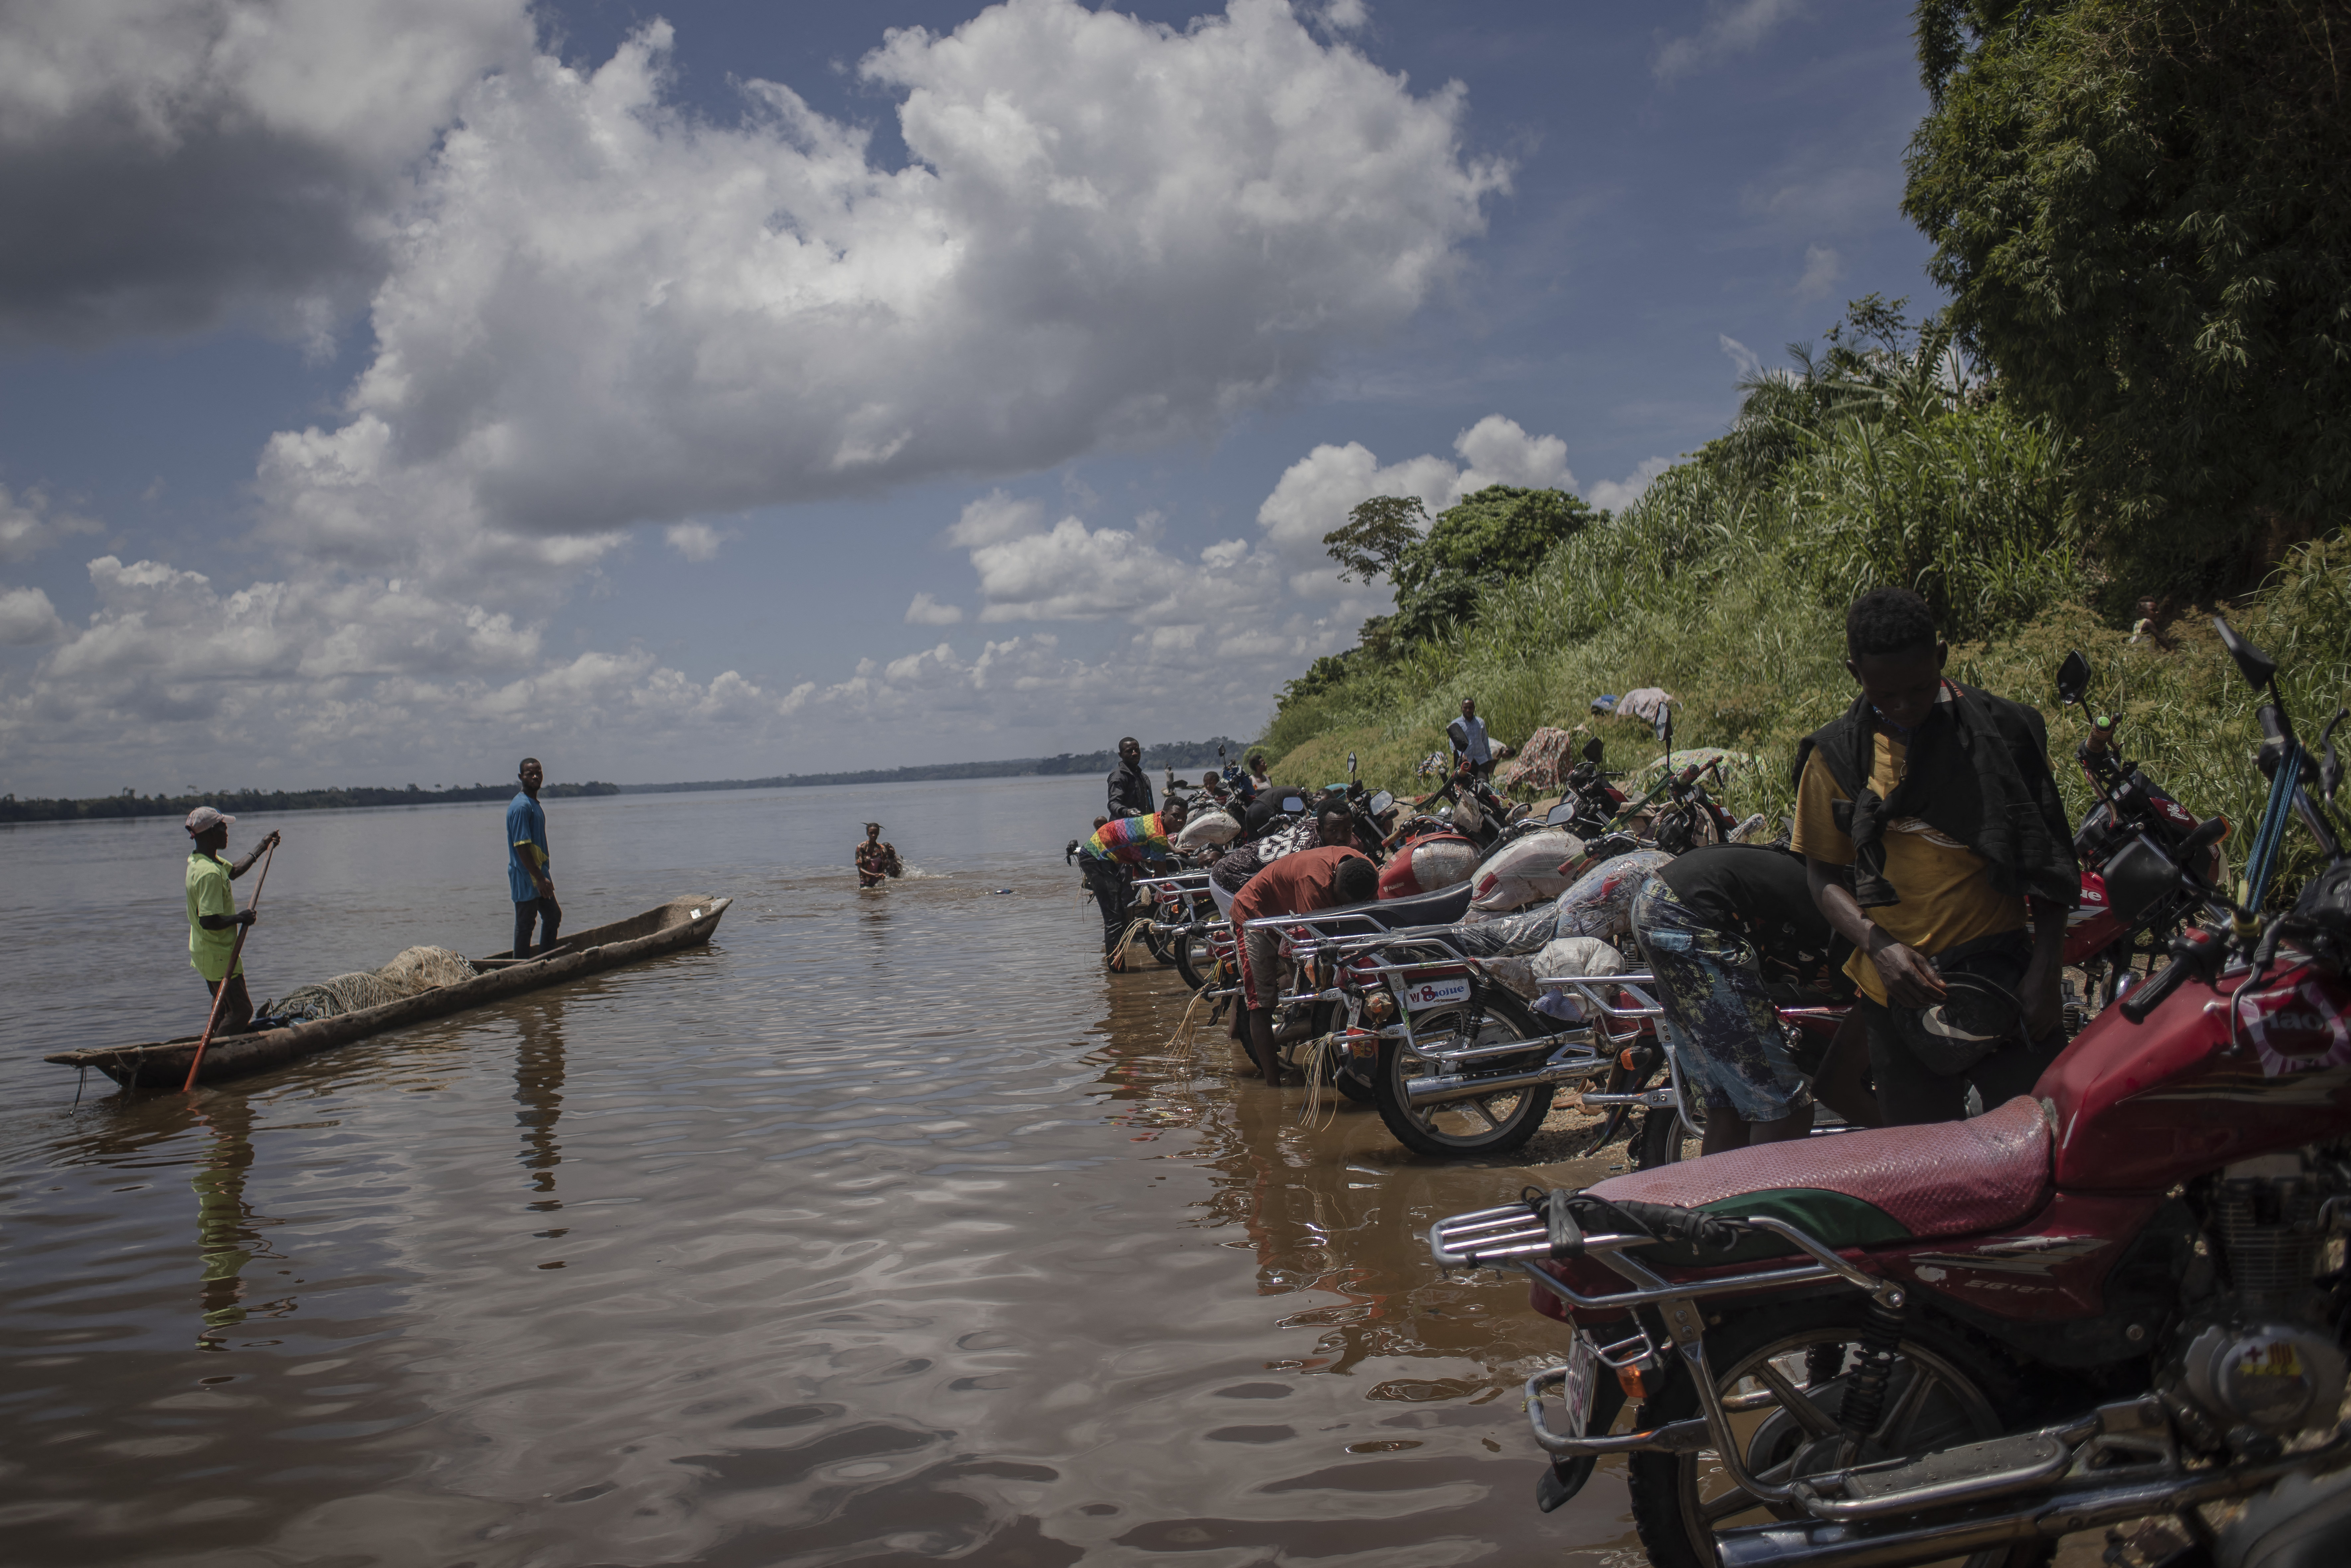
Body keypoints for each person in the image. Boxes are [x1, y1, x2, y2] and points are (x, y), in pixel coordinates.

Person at [1794, 586, 2078, 1126]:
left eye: (1920, 688)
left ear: (1941, 657)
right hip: (1898, 991)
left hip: (2003, 979)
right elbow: (1822, 878)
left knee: (2041, 1136)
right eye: (1885, 694)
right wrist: (1880, 948)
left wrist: (2046, 970)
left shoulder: (2003, 732)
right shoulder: (1835, 757)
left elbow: (2046, 861)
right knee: (1928, 1155)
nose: (1904, 706)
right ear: (1855, 673)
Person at [1631, 843, 1876, 1156]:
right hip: (1692, 913)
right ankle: (1762, 1190)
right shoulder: (1853, 914)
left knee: (1729, 1107)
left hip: (1659, 904)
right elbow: (1863, 1006)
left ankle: (1722, 1190)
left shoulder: (1835, 885)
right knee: (1783, 1109)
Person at [1228, 844, 1379, 1085]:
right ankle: (1273, 1087)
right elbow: (1318, 942)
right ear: (1333, 884)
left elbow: (1370, 923)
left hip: (1290, 915)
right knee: (1261, 1003)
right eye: (1340, 902)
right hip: (1256, 917)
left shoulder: (1367, 872)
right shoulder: (1314, 881)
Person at [184, 807, 280, 1034]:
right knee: (241, 1011)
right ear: (211, 832)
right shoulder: (209, 873)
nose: (227, 833)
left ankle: (214, 1042)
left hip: (205, 951)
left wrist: (263, 845)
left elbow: (235, 870)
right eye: (223, 828)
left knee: (223, 1009)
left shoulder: (201, 861)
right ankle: (219, 1050)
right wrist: (241, 917)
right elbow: (209, 921)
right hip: (218, 953)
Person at [1078, 795, 1190, 970]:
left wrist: (1174, 849)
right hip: (1095, 857)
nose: (1180, 821)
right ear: (1164, 814)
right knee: (1114, 917)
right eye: (1176, 816)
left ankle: (1119, 968)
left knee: (1122, 912)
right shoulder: (1158, 836)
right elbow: (1162, 877)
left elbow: (1160, 836)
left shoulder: (1156, 820)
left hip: (1107, 854)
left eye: (1184, 817)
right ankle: (1117, 971)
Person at [508, 757, 562, 959]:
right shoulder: (522, 807)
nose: (535, 776)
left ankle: (545, 960)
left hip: (539, 873)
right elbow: (521, 847)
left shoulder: (533, 804)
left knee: (553, 916)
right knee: (525, 925)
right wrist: (539, 879)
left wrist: (542, 876)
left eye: (538, 772)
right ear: (521, 777)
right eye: (530, 774)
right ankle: (520, 968)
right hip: (526, 875)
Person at [1448, 696, 1495, 777]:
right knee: (1465, 784)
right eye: (1465, 708)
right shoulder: (1456, 724)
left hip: (1481, 760)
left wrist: (1490, 760)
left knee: (1483, 784)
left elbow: (1485, 741)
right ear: (1462, 708)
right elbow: (1453, 743)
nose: (1468, 710)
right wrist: (1462, 755)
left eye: (1470, 708)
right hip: (1465, 763)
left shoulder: (1480, 722)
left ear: (1474, 708)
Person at [1108, 737, 1154, 819]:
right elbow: (1113, 803)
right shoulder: (1119, 776)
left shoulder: (1144, 777)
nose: (1134, 754)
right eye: (1129, 751)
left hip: (1143, 823)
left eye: (1137, 750)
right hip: (1123, 825)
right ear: (1121, 755)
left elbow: (1150, 808)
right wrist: (1127, 812)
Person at [855, 823, 903, 888]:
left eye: (876, 833)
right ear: (867, 833)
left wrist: (881, 875)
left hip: (879, 883)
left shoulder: (882, 849)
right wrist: (874, 875)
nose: (873, 835)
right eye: (871, 833)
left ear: (878, 833)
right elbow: (860, 869)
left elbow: (884, 867)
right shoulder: (861, 848)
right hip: (865, 884)